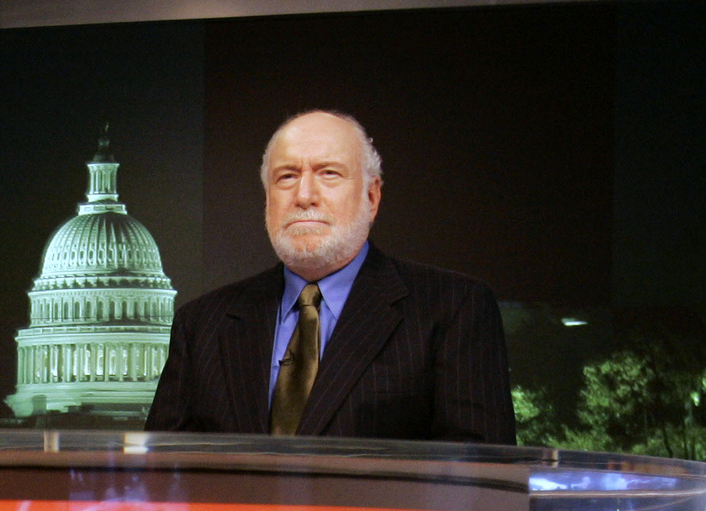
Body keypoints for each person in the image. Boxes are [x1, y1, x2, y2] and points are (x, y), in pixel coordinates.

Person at [145, 110, 515, 445]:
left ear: (372, 198)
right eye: (287, 177)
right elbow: (159, 484)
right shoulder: (202, 324)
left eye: (329, 173)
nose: (305, 195)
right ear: (267, 199)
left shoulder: (453, 308)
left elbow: (479, 482)